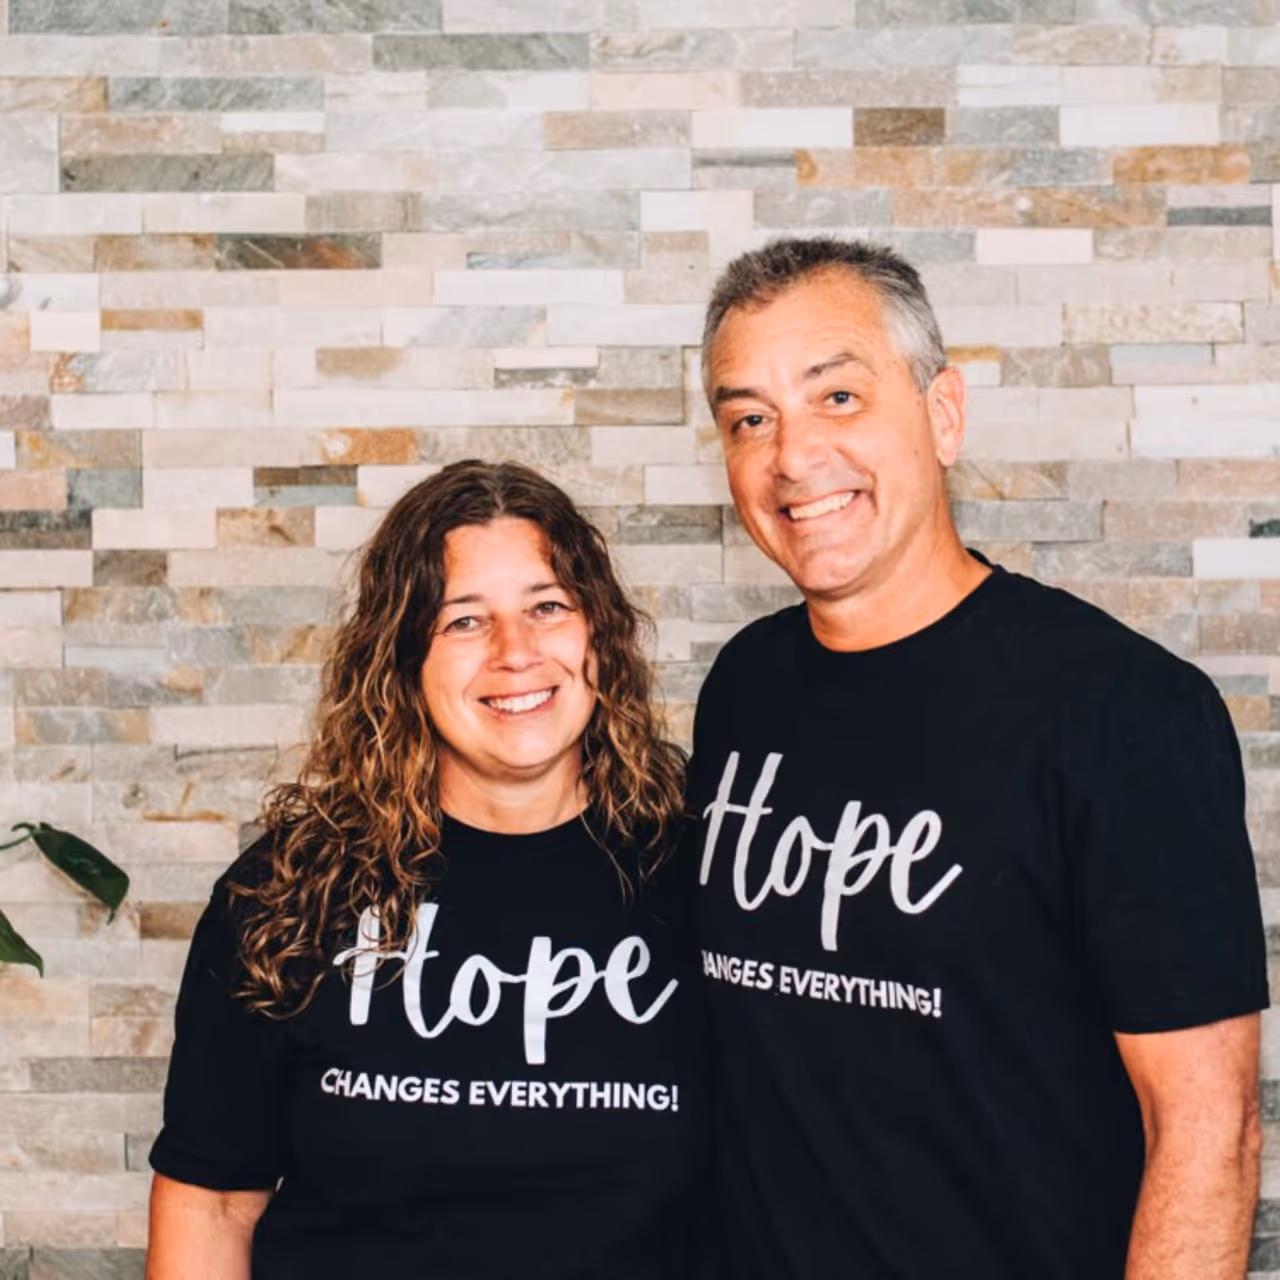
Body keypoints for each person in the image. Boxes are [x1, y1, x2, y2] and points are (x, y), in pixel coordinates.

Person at [690, 236, 1268, 1279]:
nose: (789, 456)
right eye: (748, 418)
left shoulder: (1122, 711)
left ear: (941, 413)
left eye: (836, 398)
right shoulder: (742, 687)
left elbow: (1206, 1128)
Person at [146, 460, 714, 1280]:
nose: (516, 653)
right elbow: (214, 1200)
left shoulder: (705, 869)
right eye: (464, 622)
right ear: (402, 657)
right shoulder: (287, 893)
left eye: (547, 607)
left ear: (598, 633)